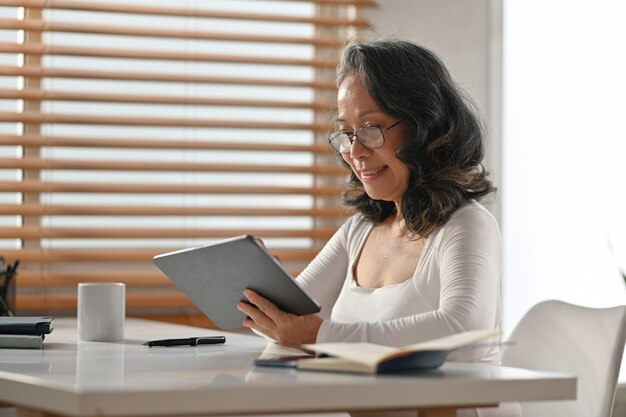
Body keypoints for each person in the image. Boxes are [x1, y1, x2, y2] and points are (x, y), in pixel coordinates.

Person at [237, 39, 502, 364]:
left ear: (424, 127)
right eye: (346, 133)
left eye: (371, 128)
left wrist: (319, 336)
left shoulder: (466, 224)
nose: (356, 151)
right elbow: (285, 327)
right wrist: (267, 286)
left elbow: (464, 331)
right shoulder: (358, 231)